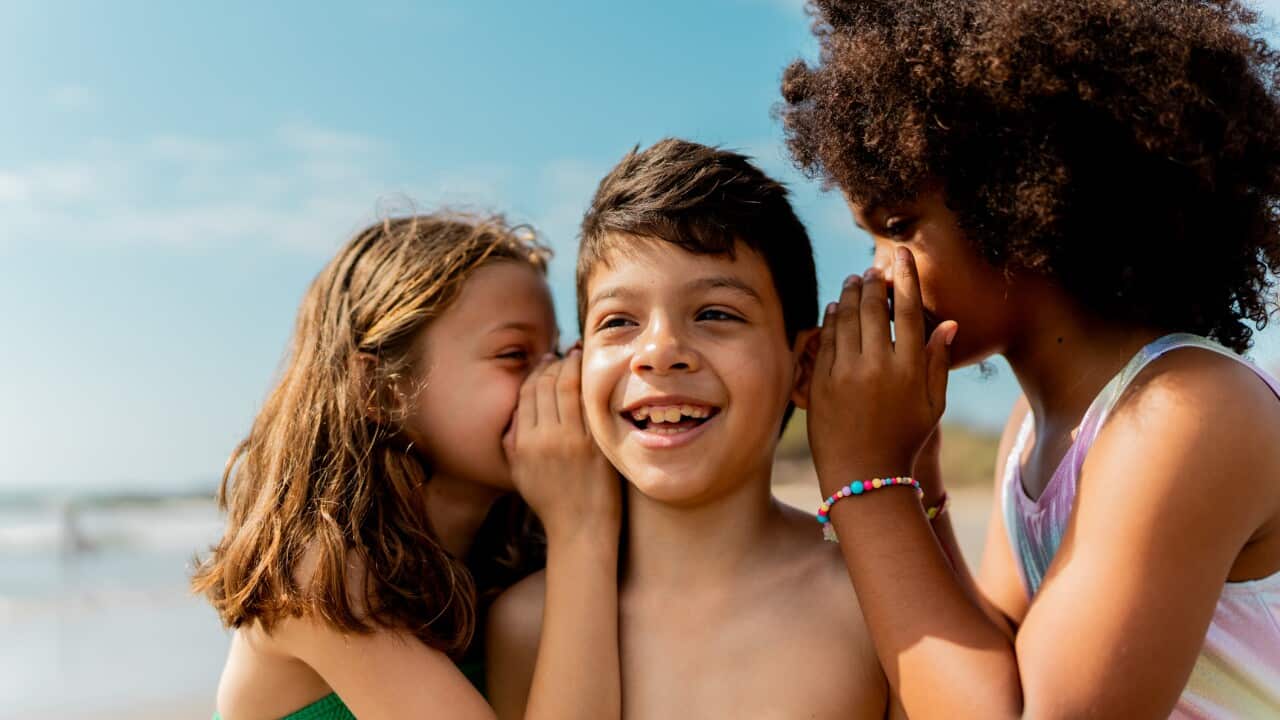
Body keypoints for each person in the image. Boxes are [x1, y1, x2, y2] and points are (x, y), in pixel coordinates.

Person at [778, 1, 1280, 716]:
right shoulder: (1030, 428)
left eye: (898, 229)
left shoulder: (1184, 415)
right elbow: (995, 667)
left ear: (1019, 195)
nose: (877, 276)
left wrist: (864, 480)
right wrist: (914, 475)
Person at [487, 139, 903, 719]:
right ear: (578, 368)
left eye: (715, 313)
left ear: (803, 366)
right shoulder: (523, 625)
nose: (660, 352)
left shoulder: (876, 603)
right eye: (619, 321)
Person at [192, 212, 620, 719]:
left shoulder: (500, 565)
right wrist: (581, 526)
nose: (557, 378)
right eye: (514, 354)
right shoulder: (317, 572)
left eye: (553, 352)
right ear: (383, 390)